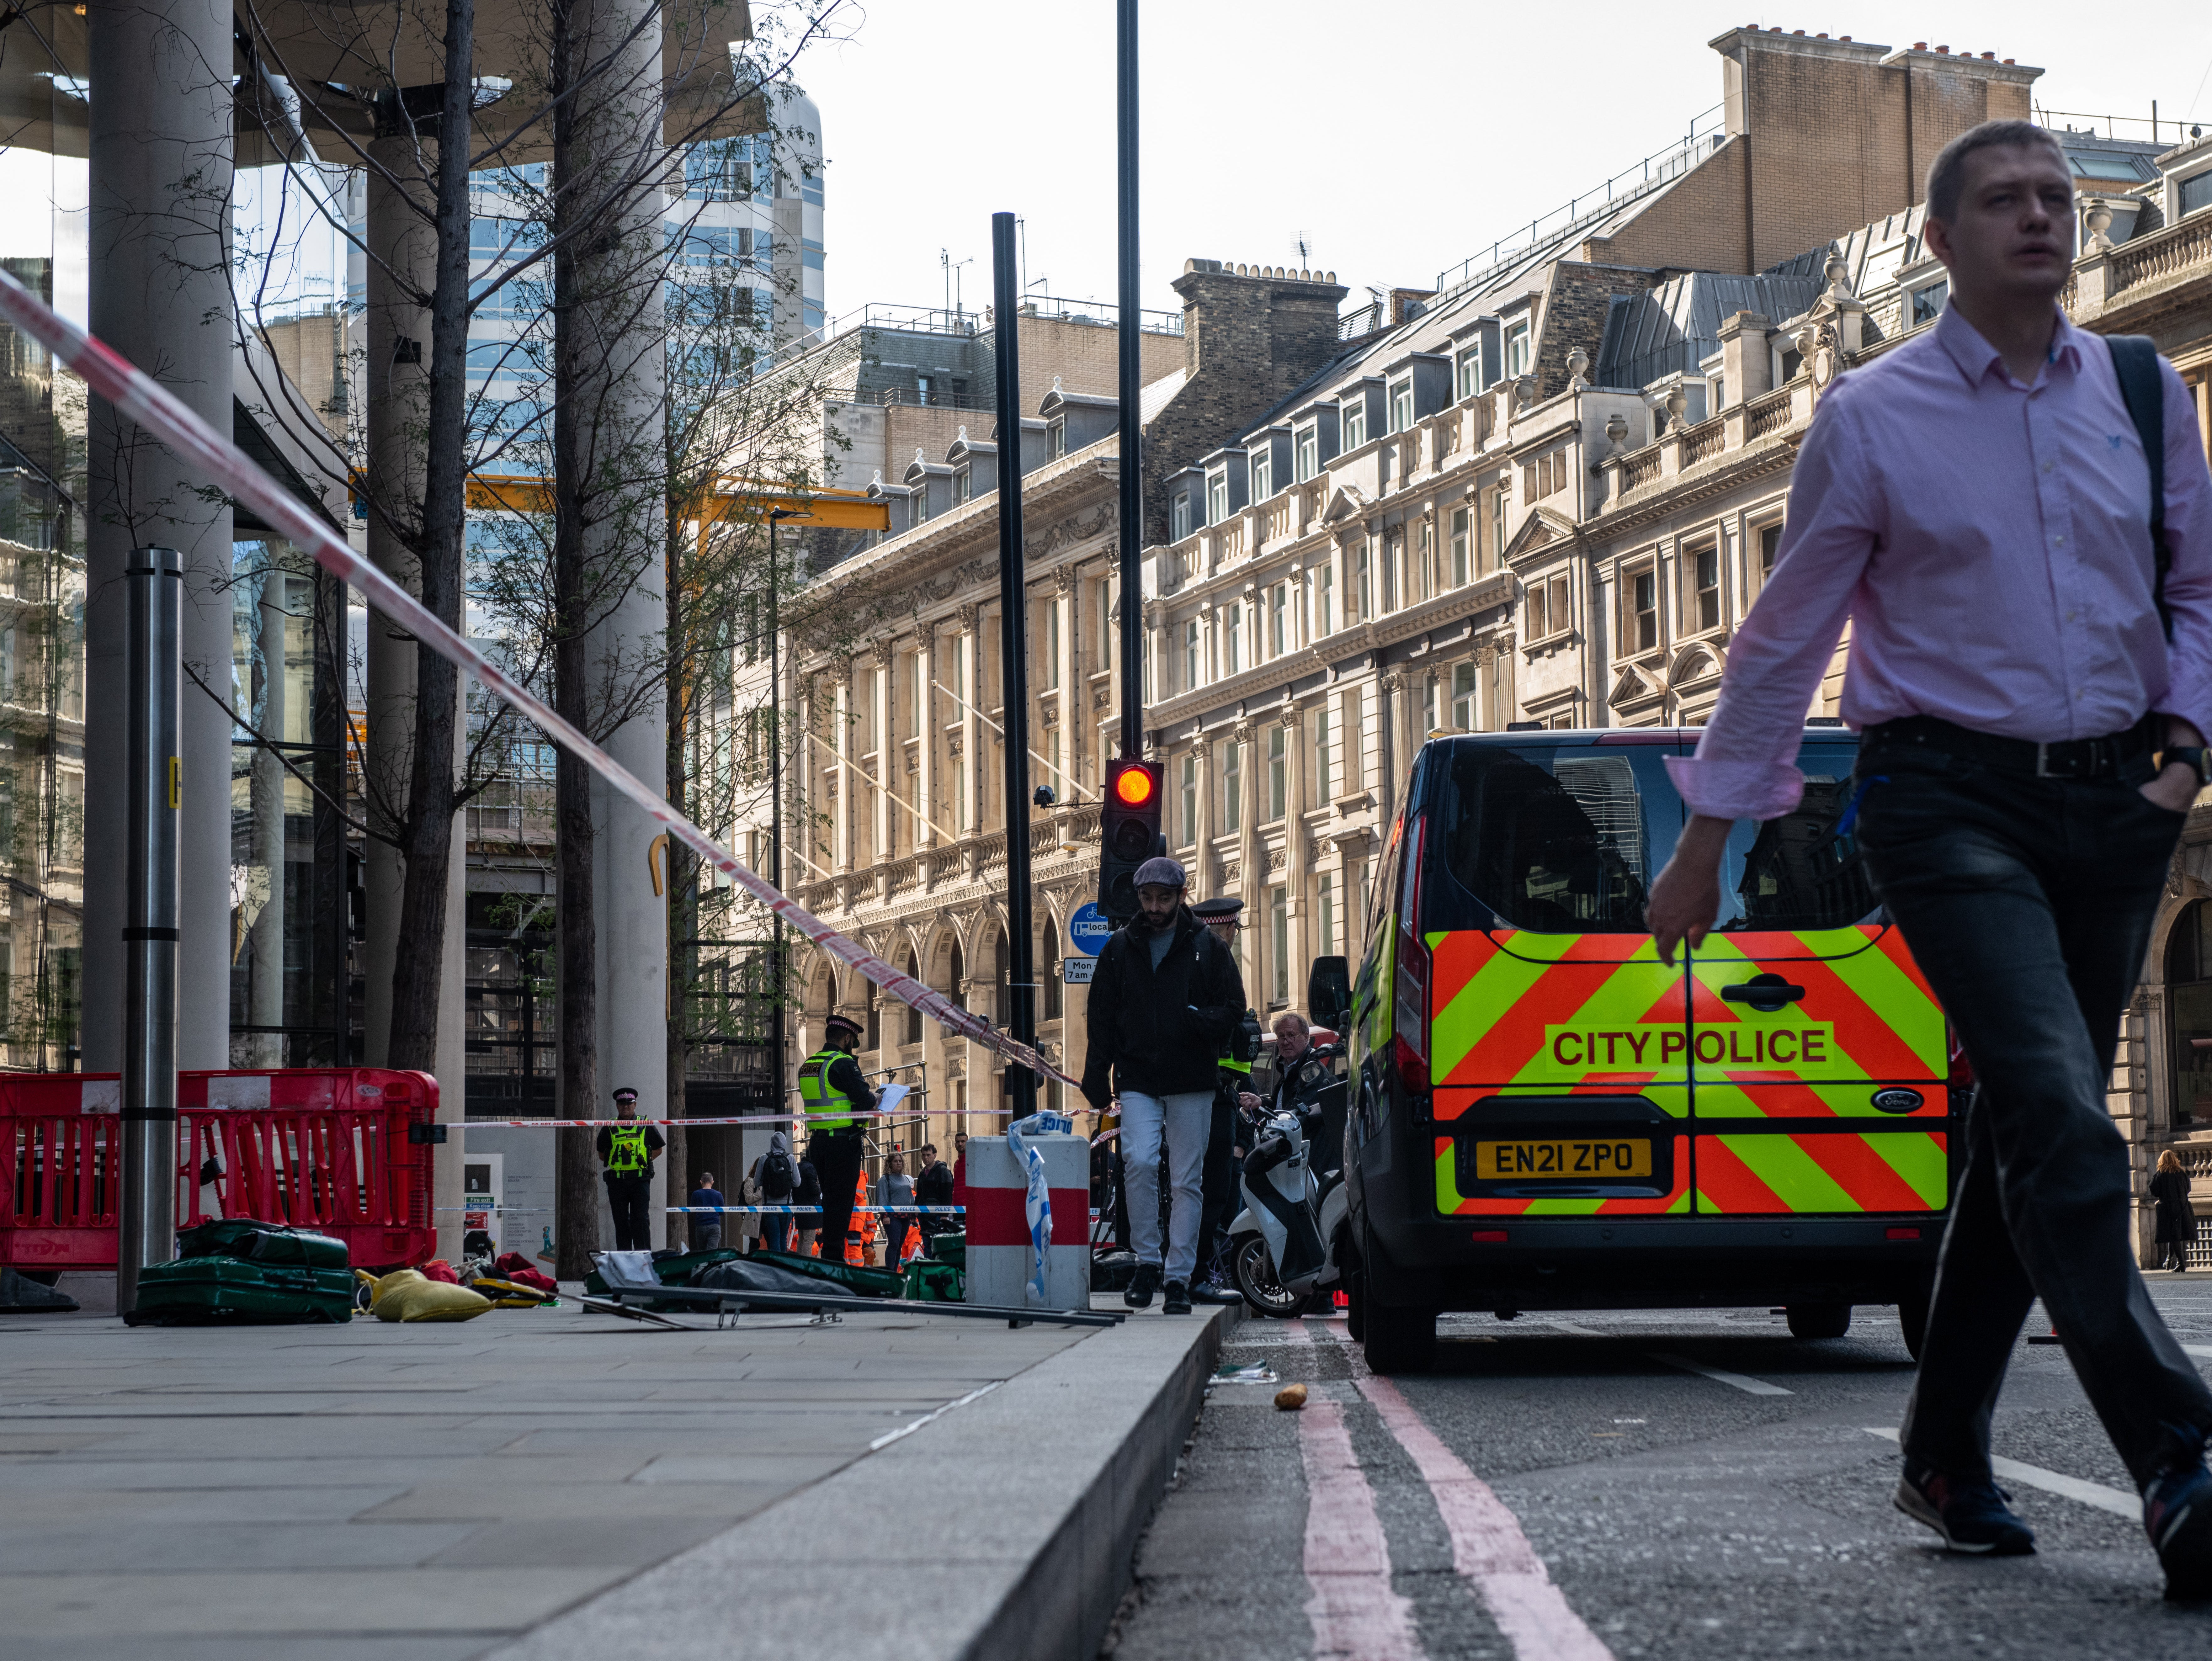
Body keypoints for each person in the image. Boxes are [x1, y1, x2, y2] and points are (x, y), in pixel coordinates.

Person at [1644, 120, 2212, 1596]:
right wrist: (1707, 838)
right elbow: (1784, 640)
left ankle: (1943, 1452)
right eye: (2004, 201)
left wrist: (2180, 759)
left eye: (2055, 198)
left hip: (2115, 802)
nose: (2039, 217)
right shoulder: (1872, 416)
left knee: (2026, 1136)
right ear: (1939, 244)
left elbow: (2200, 594)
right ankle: (2177, 1452)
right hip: (1941, 800)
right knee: (2058, 1112)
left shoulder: (2144, 395)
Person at [1082, 856, 1245, 1314]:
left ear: (1181, 897)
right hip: (1138, 1077)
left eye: (1164, 898)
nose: (1155, 907)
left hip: (1192, 1078)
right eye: (1148, 898)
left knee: (1188, 1180)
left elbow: (1234, 1007)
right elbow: (1101, 1016)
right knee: (1137, 1162)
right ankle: (1148, 1263)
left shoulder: (1208, 948)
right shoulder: (1119, 948)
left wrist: (1197, 1023)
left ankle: (1179, 1277)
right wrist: (1096, 1073)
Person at [1189, 896, 1253, 1305]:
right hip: (1211, 1101)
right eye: (1231, 930)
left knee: (1205, 1193)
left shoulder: (1199, 968)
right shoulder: (1212, 970)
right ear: (1224, 929)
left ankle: (1194, 1275)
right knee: (1209, 1193)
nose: (1232, 936)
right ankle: (1195, 1276)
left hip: (1216, 1098)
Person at [799, 1013, 877, 1268]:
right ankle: (834, 1259)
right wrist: (876, 1097)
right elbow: (865, 1101)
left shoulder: (810, 1065)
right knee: (841, 1203)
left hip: (818, 1144)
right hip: (843, 1143)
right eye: (853, 1042)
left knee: (830, 1201)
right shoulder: (842, 1064)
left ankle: (830, 1255)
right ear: (846, 1038)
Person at [596, 1087, 663, 1252]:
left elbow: (659, 1149)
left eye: (629, 1104)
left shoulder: (644, 1124)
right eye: (622, 1104)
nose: (626, 1107)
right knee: (621, 1224)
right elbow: (601, 1154)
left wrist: (644, 1159)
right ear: (617, 1106)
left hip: (640, 1180)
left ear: (635, 1105)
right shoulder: (609, 1127)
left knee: (640, 1222)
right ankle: (625, 1263)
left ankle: (644, 1261)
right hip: (617, 1182)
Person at [2153, 1150, 2198, 1273]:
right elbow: (2188, 1189)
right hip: (2181, 1207)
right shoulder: (2182, 1174)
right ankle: (2170, 1259)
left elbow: (2154, 1190)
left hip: (2168, 1208)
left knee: (2173, 1235)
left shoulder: (2161, 1174)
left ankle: (2180, 1262)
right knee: (2174, 1235)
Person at [878, 1151, 917, 1265]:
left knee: (899, 1245)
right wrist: (884, 1216)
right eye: (896, 1161)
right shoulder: (885, 1180)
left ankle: (894, 1271)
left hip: (906, 1218)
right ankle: (890, 1272)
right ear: (890, 1164)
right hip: (892, 1217)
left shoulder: (905, 1179)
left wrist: (914, 1215)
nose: (899, 1163)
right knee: (894, 1244)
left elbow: (911, 1198)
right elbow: (882, 1199)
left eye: (900, 1161)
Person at [914, 1143, 955, 1239]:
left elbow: (948, 1195)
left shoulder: (943, 1172)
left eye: (928, 1155)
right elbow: (919, 1195)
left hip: (938, 1215)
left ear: (935, 1155)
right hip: (924, 1216)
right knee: (927, 1244)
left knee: (938, 1242)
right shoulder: (922, 1174)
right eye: (924, 1155)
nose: (926, 1158)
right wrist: (915, 1212)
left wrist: (944, 1215)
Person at [793, 1152, 823, 1257]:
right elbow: (813, 1189)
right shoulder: (811, 1168)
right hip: (810, 1210)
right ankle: (805, 1265)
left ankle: (799, 1264)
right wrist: (821, 1189)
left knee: (802, 1239)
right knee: (809, 1240)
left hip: (800, 1208)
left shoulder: (798, 1166)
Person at [689, 1171, 725, 1253]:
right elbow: (722, 1212)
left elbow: (692, 1211)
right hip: (714, 1227)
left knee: (702, 1253)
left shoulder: (696, 1194)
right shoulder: (718, 1195)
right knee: (712, 1254)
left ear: (701, 1182)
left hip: (700, 1226)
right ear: (713, 1182)